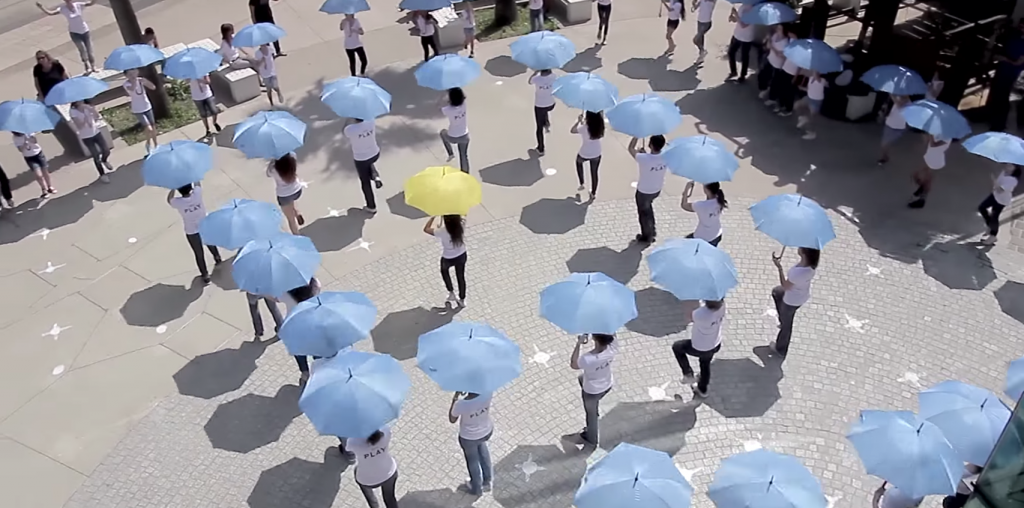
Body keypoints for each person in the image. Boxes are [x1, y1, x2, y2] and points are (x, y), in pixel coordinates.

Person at [167, 183, 222, 285]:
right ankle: (217, 257)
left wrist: (172, 188)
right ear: (191, 188)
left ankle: (205, 275)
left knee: (199, 254)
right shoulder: (197, 194)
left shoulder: (178, 202)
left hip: (191, 231)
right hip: (204, 225)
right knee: (210, 242)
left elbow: (169, 199)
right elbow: (198, 183)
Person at [769, 247, 819, 357]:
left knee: (787, 326)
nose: (798, 247)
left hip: (791, 300)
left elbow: (785, 286)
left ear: (805, 253)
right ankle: (783, 320)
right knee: (777, 292)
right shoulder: (810, 265)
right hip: (801, 295)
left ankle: (780, 349)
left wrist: (779, 268)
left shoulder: (798, 273)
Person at [672, 298, 725, 397]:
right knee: (705, 364)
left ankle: (688, 374)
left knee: (677, 347)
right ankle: (702, 389)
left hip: (700, 346)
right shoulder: (722, 307)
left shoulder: (700, 314)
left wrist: (689, 306)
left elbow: (689, 317)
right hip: (715, 343)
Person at [570, 333, 616, 446]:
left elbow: (574, 365)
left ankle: (591, 439)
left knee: (591, 415)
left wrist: (578, 344)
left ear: (594, 339)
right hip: (607, 383)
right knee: (581, 378)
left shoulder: (588, 359)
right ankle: (594, 410)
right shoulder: (613, 348)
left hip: (592, 391)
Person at [449, 392, 493, 495]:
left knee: (472, 461)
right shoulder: (488, 393)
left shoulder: (462, 404)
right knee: (482, 449)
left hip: (469, 437)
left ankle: (476, 488)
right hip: (486, 430)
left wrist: (455, 398)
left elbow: (452, 419)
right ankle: (487, 481)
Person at [36, 0, 96, 73]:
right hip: (74, 33)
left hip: (85, 31)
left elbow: (90, 3)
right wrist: (42, 7)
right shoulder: (63, 9)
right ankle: (86, 65)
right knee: (82, 49)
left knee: (89, 49)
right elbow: (51, 13)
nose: (68, 1)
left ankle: (93, 66)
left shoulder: (78, 5)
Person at [628, 135, 668, 244]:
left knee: (643, 213)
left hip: (644, 191)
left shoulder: (643, 158)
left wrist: (636, 135)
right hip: (657, 189)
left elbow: (631, 148)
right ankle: (652, 230)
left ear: (650, 145)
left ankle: (647, 236)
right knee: (648, 209)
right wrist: (645, 153)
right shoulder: (666, 156)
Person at [986, 18, 1024, 132]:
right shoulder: (1014, 37)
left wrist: (1004, 59)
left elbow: (1019, 62)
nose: (1021, 27)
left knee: (1002, 95)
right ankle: (993, 118)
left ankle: (999, 123)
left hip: (1011, 71)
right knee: (996, 93)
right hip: (1002, 68)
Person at [350, 427, 399, 508]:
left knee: (356, 470)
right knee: (390, 497)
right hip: (389, 472)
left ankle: (374, 506)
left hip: (367, 480)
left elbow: (349, 449)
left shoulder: (353, 442)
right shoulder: (386, 432)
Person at [284, 277, 321, 382]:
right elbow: (318, 285)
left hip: (295, 325)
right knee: (317, 350)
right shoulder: (313, 284)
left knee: (298, 351)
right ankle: (318, 371)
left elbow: (276, 297)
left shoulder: (287, 289)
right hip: (313, 323)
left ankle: (305, 372)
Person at [424, 215, 467, 307]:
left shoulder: (442, 231)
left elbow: (426, 229)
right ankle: (462, 299)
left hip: (448, 257)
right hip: (461, 254)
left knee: (444, 271)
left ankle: (451, 292)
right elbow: (463, 216)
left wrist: (432, 218)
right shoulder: (461, 225)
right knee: (461, 277)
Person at [344, 117, 384, 213]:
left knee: (365, 182)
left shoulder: (350, 129)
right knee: (369, 163)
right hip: (375, 152)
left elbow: (344, 132)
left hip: (361, 158)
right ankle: (375, 176)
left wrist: (347, 120)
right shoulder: (370, 121)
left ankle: (371, 206)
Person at [70, 100, 112, 182]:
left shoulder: (88, 106)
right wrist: (86, 117)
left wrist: (92, 110)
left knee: (106, 150)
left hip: (96, 132)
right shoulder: (73, 112)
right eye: (79, 101)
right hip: (86, 137)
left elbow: (97, 117)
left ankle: (104, 160)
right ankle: (102, 174)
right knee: (96, 155)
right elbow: (79, 126)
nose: (81, 101)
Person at [979, 164, 1021, 245]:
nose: (1007, 166)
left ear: (1015, 169)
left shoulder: (1013, 180)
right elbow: (997, 185)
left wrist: (994, 180)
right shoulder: (1004, 172)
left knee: (994, 216)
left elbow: (1000, 190)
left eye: (1011, 166)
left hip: (1002, 200)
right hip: (994, 195)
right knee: (982, 207)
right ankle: (990, 226)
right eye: (1008, 164)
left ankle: (993, 236)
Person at [908, 135, 951, 209]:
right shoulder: (938, 131)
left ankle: (922, 200)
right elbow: (927, 142)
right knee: (916, 175)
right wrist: (926, 137)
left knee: (927, 181)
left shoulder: (947, 137)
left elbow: (934, 144)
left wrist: (931, 136)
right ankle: (921, 188)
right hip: (929, 157)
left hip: (936, 161)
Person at [267, 153, 305, 234]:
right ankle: (297, 213)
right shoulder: (292, 157)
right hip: (297, 190)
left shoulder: (273, 168)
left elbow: (268, 174)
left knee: (291, 220)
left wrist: (272, 161)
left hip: (284, 195)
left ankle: (298, 237)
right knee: (291, 200)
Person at [123, 68, 158, 153]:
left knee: (153, 127)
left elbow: (153, 87)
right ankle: (148, 143)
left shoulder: (141, 80)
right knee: (148, 128)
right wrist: (135, 81)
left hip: (147, 106)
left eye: (133, 73)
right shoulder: (126, 84)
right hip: (138, 109)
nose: (132, 76)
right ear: (126, 76)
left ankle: (156, 144)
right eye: (130, 74)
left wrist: (145, 81)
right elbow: (132, 89)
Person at [681, 181, 726, 246]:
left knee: (685, 246)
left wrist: (686, 189)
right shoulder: (719, 200)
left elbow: (684, 205)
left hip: (703, 238)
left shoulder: (701, 206)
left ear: (707, 190)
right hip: (717, 234)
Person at [571, 111, 604, 198]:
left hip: (585, 152)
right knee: (594, 173)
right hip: (597, 152)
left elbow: (572, 130)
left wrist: (579, 121)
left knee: (578, 162)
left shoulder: (584, 128)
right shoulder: (600, 126)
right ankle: (593, 193)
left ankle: (582, 182)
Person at [13, 132, 55, 198]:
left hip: (38, 153)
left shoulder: (29, 132)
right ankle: (44, 189)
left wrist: (29, 138)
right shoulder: (16, 138)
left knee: (45, 171)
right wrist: (24, 144)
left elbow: (35, 141)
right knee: (38, 175)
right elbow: (20, 150)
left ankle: (50, 186)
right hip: (29, 157)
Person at [440, 87, 470, 173]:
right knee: (464, 155)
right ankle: (465, 174)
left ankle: (450, 153)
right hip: (465, 135)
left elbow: (439, 106)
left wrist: (444, 95)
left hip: (452, 136)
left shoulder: (448, 109)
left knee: (443, 133)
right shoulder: (464, 104)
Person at [530, 69, 557, 155]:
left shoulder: (537, 79)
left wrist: (535, 72)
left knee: (539, 128)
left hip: (540, 105)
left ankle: (541, 148)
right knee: (545, 111)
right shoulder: (553, 77)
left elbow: (529, 82)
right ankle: (546, 122)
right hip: (551, 104)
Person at [727, 3, 755, 82]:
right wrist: (733, 18)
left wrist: (736, 14)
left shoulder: (753, 10)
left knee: (744, 56)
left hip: (746, 37)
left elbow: (744, 24)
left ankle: (743, 75)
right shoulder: (742, 6)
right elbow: (739, 20)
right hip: (737, 34)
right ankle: (733, 71)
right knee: (731, 52)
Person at [878, 95, 908, 165]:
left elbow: (900, 105)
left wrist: (892, 96)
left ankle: (885, 156)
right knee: (884, 143)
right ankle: (884, 156)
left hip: (899, 125)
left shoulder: (907, 100)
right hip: (890, 122)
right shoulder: (894, 97)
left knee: (888, 142)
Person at [760, 24, 788, 100]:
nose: (777, 29)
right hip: (770, 59)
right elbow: (768, 46)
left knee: (774, 82)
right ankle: (764, 89)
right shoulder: (775, 35)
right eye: (778, 27)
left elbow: (781, 54)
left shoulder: (785, 42)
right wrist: (769, 39)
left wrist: (772, 47)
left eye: (780, 28)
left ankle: (771, 98)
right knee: (763, 74)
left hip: (777, 64)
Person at [795, 71, 826, 139]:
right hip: (809, 97)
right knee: (797, 105)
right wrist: (802, 88)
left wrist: (814, 70)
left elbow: (818, 80)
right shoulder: (811, 78)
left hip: (816, 101)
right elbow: (810, 89)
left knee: (812, 118)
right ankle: (803, 118)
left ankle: (812, 133)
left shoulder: (823, 80)